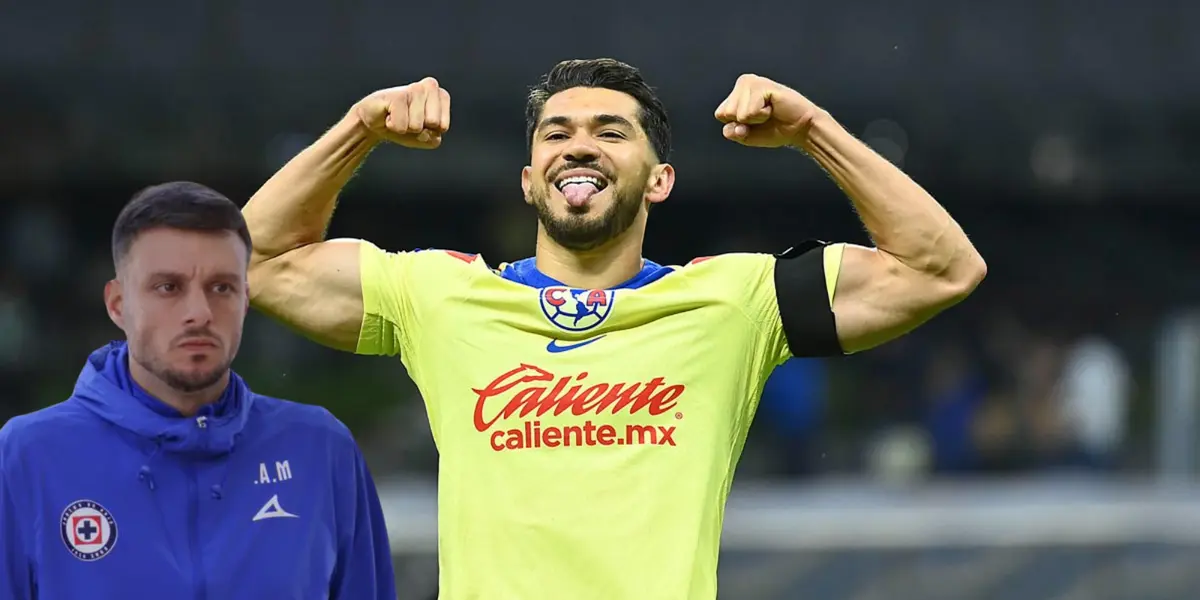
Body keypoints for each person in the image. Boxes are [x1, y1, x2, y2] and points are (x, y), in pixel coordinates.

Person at [242, 59, 986, 599]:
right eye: (556, 133)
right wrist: (361, 128)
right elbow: (254, 262)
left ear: (660, 179)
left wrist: (813, 131)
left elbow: (941, 269)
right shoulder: (439, 295)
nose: (579, 145)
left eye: (612, 132)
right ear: (529, 179)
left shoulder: (732, 303)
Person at [0, 182, 396, 599]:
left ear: (245, 300)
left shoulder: (320, 449)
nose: (199, 313)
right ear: (117, 304)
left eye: (221, 287)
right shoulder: (28, 456)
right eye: (168, 287)